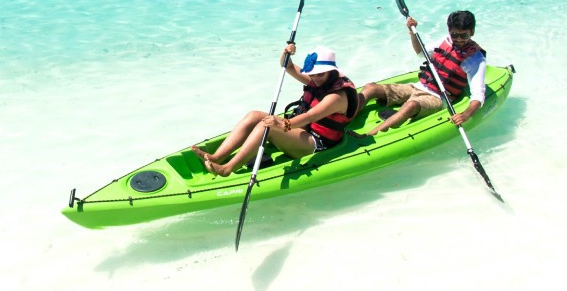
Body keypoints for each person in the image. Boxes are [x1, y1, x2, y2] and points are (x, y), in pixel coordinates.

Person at [191, 43, 364, 177]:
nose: (315, 78)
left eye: (320, 74)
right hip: (302, 130)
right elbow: (287, 66)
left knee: (268, 126)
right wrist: (286, 53)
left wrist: (282, 123)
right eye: (312, 74)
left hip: (316, 143)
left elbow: (310, 116)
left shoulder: (336, 97)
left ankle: (227, 169)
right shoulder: (319, 80)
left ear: (331, 72)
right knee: (254, 116)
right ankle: (217, 157)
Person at [363, 10, 486, 135]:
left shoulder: (475, 59)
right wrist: (412, 32)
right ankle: (346, 118)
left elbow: (478, 95)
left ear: (472, 32)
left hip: (438, 97)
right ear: (449, 31)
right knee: (370, 88)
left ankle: (369, 135)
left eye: (464, 36)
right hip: (417, 86)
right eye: (454, 35)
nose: (459, 39)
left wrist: (465, 115)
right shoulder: (446, 41)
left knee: (410, 105)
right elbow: (421, 53)